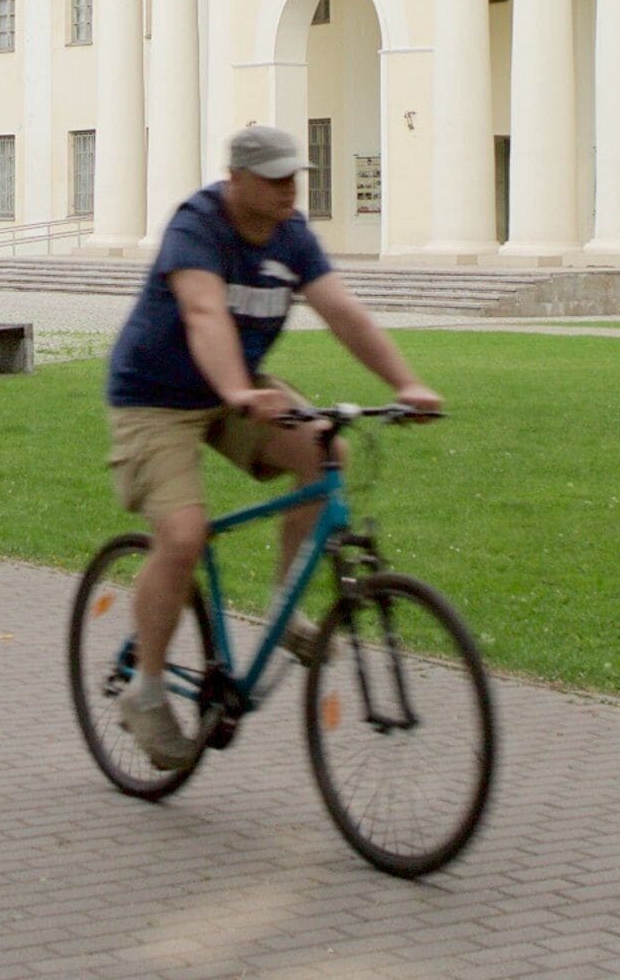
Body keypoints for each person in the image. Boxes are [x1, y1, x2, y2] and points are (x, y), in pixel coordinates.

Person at [102, 124, 441, 770]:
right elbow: (202, 314)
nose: (290, 189)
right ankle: (146, 690)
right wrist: (237, 389)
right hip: (155, 398)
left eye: (295, 177)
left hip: (237, 390)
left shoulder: (291, 235)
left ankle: (284, 606)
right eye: (276, 178)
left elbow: (346, 315)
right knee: (183, 536)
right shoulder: (197, 226)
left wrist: (407, 383)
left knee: (324, 452)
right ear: (237, 180)